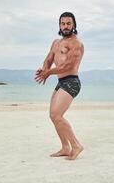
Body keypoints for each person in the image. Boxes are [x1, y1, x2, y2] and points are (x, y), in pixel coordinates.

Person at [34, 12, 84, 160]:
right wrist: (44, 69)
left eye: (69, 23)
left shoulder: (76, 43)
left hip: (72, 81)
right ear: (59, 25)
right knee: (53, 116)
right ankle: (65, 147)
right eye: (63, 23)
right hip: (61, 82)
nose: (65, 26)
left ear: (74, 25)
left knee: (57, 115)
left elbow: (68, 65)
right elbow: (48, 59)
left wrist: (49, 72)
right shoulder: (56, 42)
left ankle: (76, 145)